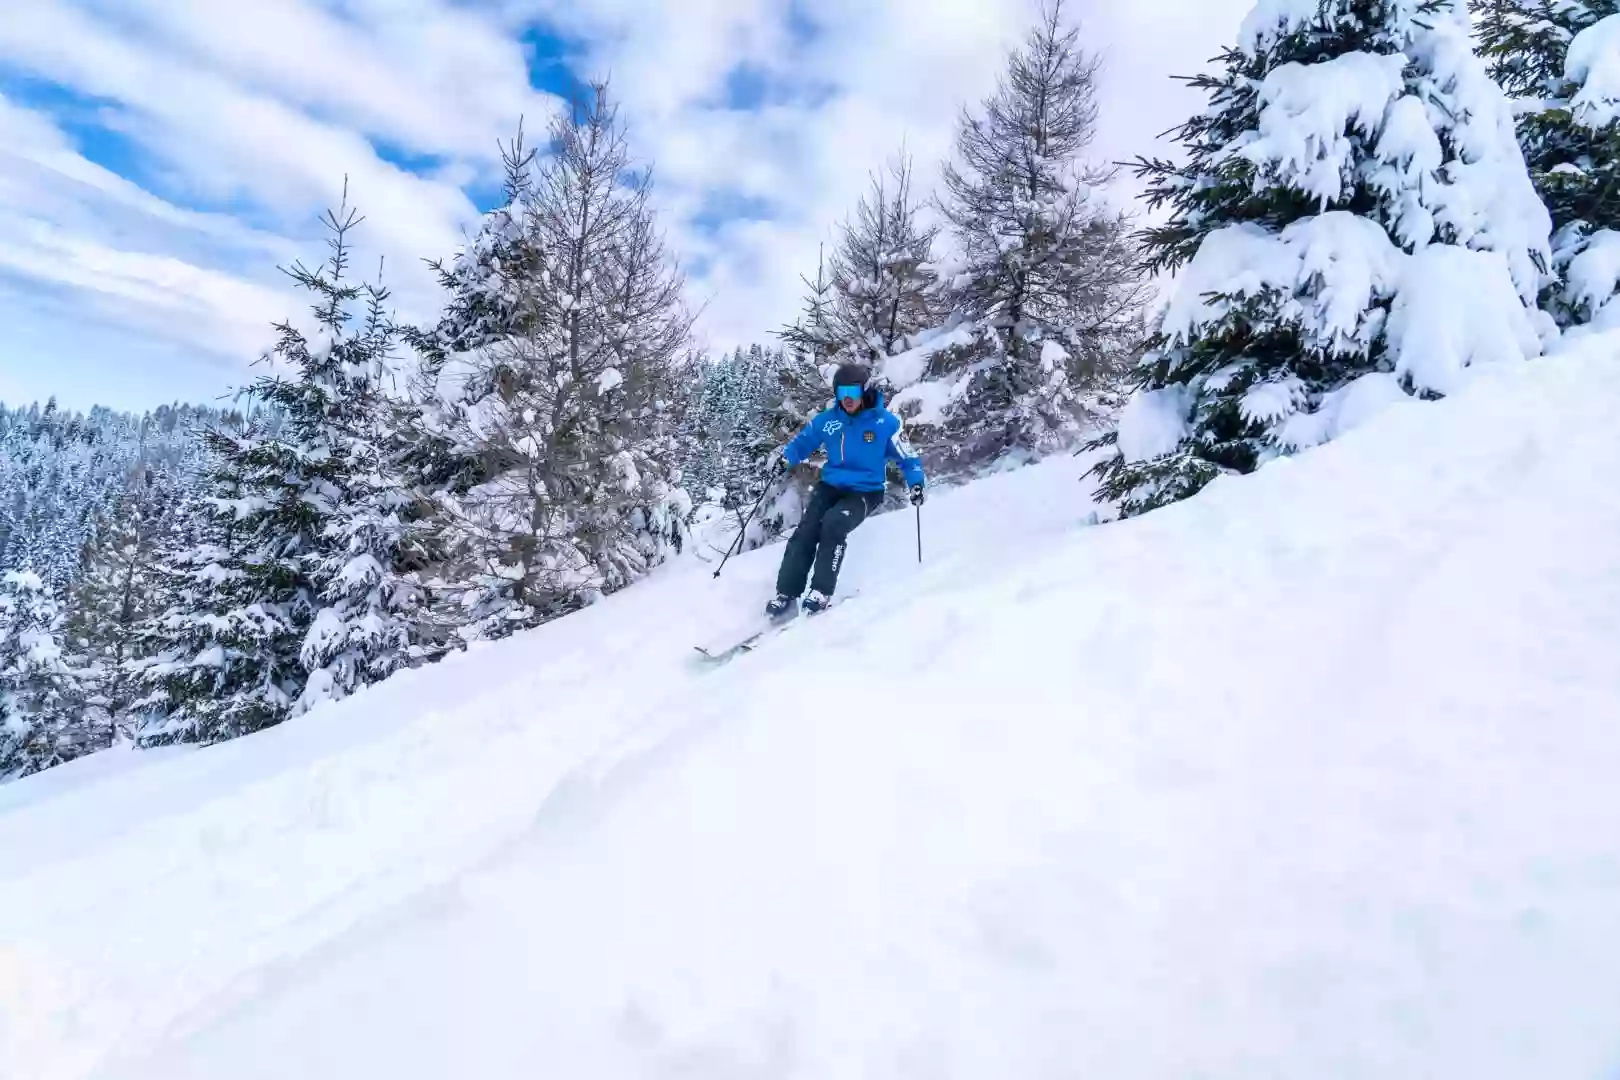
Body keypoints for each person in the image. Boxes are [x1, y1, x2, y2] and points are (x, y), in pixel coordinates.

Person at [764, 362, 926, 617]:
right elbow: (804, 442)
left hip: (865, 491)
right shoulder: (829, 421)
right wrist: (786, 458)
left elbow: (908, 457)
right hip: (831, 487)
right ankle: (787, 592)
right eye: (841, 393)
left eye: (853, 392)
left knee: (834, 524)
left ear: (864, 390)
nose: (847, 399)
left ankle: (821, 592)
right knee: (807, 530)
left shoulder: (885, 422)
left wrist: (916, 483)